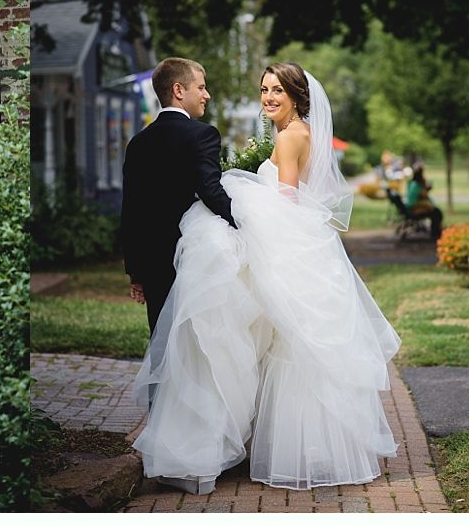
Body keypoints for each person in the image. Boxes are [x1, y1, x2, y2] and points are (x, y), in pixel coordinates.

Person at [133, 61, 401, 493]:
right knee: (285, 344)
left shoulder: (293, 135)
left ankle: (301, 449)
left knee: (289, 346)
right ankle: (292, 444)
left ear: (296, 96)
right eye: (264, 90)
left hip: (290, 246)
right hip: (298, 247)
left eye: (277, 90)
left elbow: (288, 203)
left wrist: (243, 209)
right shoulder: (293, 133)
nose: (268, 98)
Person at [121, 57, 237, 495]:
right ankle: (199, 450)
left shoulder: (139, 142)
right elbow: (210, 189)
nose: (207, 94)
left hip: (153, 267)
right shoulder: (201, 134)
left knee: (164, 354)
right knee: (200, 355)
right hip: (195, 262)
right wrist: (242, 221)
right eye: (202, 86)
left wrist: (136, 271)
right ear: (178, 92)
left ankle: (166, 454)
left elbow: (130, 212)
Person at [404, 162, 444, 239]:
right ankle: (435, 233)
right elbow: (422, 195)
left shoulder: (412, 183)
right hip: (414, 208)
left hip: (412, 207)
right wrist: (427, 188)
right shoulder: (416, 184)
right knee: (436, 213)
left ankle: (435, 232)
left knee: (436, 212)